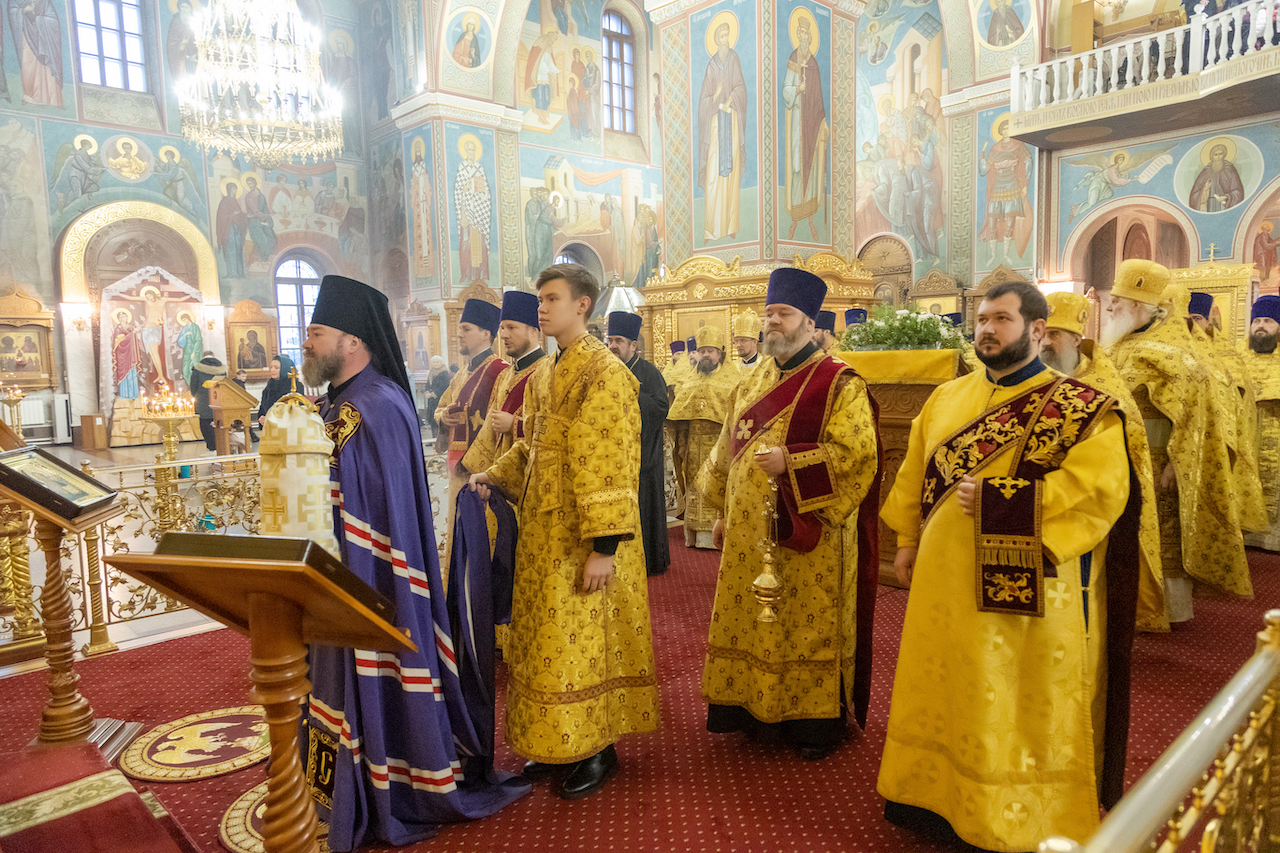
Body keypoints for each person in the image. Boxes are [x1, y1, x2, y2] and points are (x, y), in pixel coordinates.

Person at [879, 279, 1140, 851]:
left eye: (1001, 319)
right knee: (945, 683)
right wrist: (904, 540)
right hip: (941, 583)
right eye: (981, 321)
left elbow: (1101, 491)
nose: (987, 330)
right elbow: (914, 476)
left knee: (1006, 694)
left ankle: (1009, 810)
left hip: (1025, 592)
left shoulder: (1079, 408)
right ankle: (927, 794)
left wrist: (1005, 499)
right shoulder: (947, 398)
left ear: (1038, 330)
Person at [299, 275, 528, 850]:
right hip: (335, 573)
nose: (307, 342)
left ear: (351, 342)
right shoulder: (345, 402)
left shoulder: (375, 405)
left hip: (370, 576)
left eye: (317, 332)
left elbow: (370, 504)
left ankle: (385, 780)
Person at [469, 264, 659, 801]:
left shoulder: (607, 373)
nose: (541, 308)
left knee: (583, 641)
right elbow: (532, 448)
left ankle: (598, 749)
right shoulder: (546, 373)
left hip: (584, 538)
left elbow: (610, 462)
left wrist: (604, 548)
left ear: (583, 305)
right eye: (539, 299)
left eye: (551, 298)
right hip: (541, 532)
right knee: (548, 641)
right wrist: (493, 474)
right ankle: (560, 740)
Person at [697, 267, 881, 760]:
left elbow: (858, 456)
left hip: (807, 534)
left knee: (803, 623)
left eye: (784, 314)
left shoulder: (839, 383)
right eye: (769, 314)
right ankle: (749, 707)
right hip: (744, 532)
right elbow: (725, 449)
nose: (773, 322)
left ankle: (810, 722)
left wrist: (792, 463)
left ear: (810, 322)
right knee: (752, 620)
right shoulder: (753, 379)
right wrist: (719, 510)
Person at [1104, 260, 1252, 620]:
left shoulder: (1177, 351)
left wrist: (1176, 462)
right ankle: (1124, 602)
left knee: (1163, 527)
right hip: (1116, 451)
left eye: (1116, 302)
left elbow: (1196, 413)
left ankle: (1165, 607)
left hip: (1159, 451)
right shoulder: (1117, 344)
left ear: (1138, 306)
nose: (1109, 308)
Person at [1041, 291, 1166, 632]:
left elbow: (1128, 450)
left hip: (1090, 502)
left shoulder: (1105, 387)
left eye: (1056, 335)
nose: (1046, 343)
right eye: (1042, 334)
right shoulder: (1028, 379)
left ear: (1076, 339)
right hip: (1039, 498)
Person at [437, 299, 507, 557]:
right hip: (459, 472)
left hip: (484, 475)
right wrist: (444, 418)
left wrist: (471, 463)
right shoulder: (461, 374)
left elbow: (497, 426)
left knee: (482, 544)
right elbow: (442, 407)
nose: (459, 334)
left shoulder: (501, 371)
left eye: (466, 328)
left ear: (485, 333)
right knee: (459, 541)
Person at [606, 311, 671, 577]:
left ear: (633, 345)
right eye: (610, 339)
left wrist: (631, 395)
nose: (613, 345)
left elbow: (660, 407)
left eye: (619, 340)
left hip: (643, 457)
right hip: (610, 456)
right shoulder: (604, 369)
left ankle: (649, 560)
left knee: (644, 509)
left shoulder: (648, 372)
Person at [462, 291, 545, 483]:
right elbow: (489, 431)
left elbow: (553, 430)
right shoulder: (505, 375)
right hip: (498, 479)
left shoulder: (547, 372)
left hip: (530, 480)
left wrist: (515, 425)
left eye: (512, 327)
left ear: (534, 331)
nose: (504, 335)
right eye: (502, 328)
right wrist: (481, 475)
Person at [668, 325, 739, 549]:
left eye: (711, 351)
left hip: (720, 444)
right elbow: (678, 413)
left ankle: (717, 533)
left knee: (717, 484)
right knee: (695, 487)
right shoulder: (690, 380)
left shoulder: (732, 381)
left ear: (720, 354)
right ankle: (696, 535)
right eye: (703, 351)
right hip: (693, 444)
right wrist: (681, 441)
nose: (706, 355)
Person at [1243, 295, 1280, 551]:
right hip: (1245, 430)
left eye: (1268, 321)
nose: (1261, 326)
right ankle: (1246, 532)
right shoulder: (1235, 355)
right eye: (1257, 320)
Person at [191, 356, 225, 451]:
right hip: (219, 401)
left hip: (203, 402)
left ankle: (211, 447)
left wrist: (197, 396)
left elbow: (193, 387)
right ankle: (221, 447)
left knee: (205, 425)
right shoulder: (221, 369)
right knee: (219, 425)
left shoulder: (198, 369)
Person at [256, 355, 295, 426]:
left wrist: (271, 418)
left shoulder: (294, 385)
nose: (272, 370)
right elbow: (263, 407)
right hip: (270, 428)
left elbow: (293, 412)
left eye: (276, 368)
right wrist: (261, 417)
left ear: (285, 368)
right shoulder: (270, 385)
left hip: (287, 428)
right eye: (271, 367)